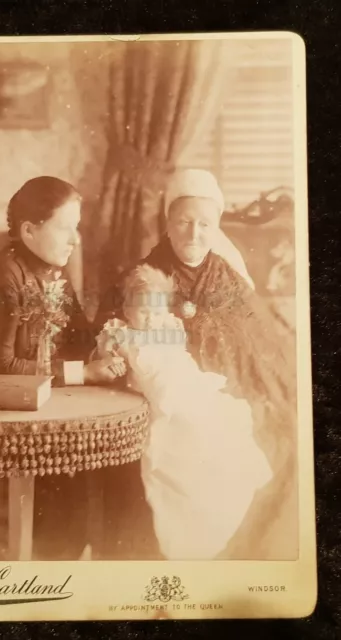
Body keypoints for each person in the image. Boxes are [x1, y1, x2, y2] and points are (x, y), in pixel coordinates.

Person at [95, 168, 297, 560]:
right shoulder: (144, 277)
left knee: (276, 437)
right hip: (162, 393)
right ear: (167, 223)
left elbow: (260, 345)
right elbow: (112, 330)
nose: (193, 233)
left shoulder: (230, 280)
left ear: (217, 225)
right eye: (184, 222)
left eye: (204, 224)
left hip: (228, 386)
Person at [0, 176, 124, 561]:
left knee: (89, 494)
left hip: (47, 398)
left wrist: (112, 338)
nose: (75, 240)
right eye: (65, 228)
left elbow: (79, 338)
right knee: (7, 531)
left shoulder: (53, 270)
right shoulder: (4, 276)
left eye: (77, 228)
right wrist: (82, 374)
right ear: (28, 230)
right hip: (1, 412)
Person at [96, 264, 273, 559]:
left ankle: (221, 484)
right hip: (161, 399)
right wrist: (108, 359)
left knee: (217, 423)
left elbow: (180, 361)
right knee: (187, 440)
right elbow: (103, 360)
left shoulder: (168, 326)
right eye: (142, 312)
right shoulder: (120, 334)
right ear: (127, 308)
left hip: (185, 386)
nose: (151, 319)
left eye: (156, 311)